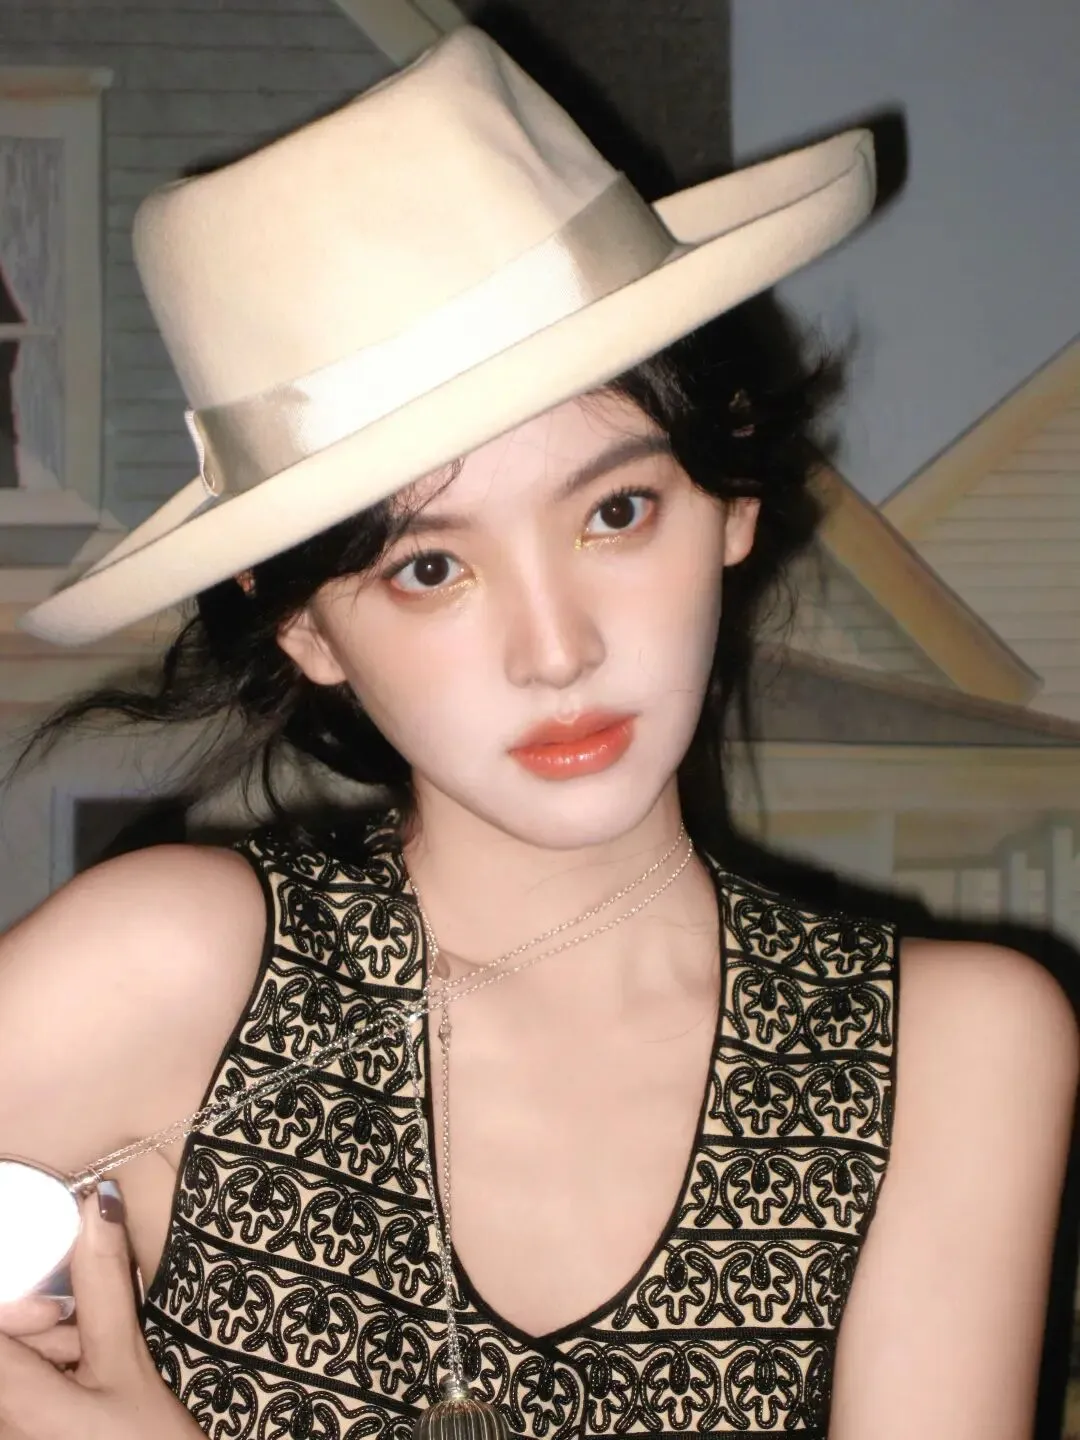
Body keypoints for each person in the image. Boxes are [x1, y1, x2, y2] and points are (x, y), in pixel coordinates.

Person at [0, 25, 1075, 1440]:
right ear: (306, 628)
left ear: (730, 503)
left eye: (616, 512)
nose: (557, 648)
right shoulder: (171, 970)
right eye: (429, 568)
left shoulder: (951, 1053)